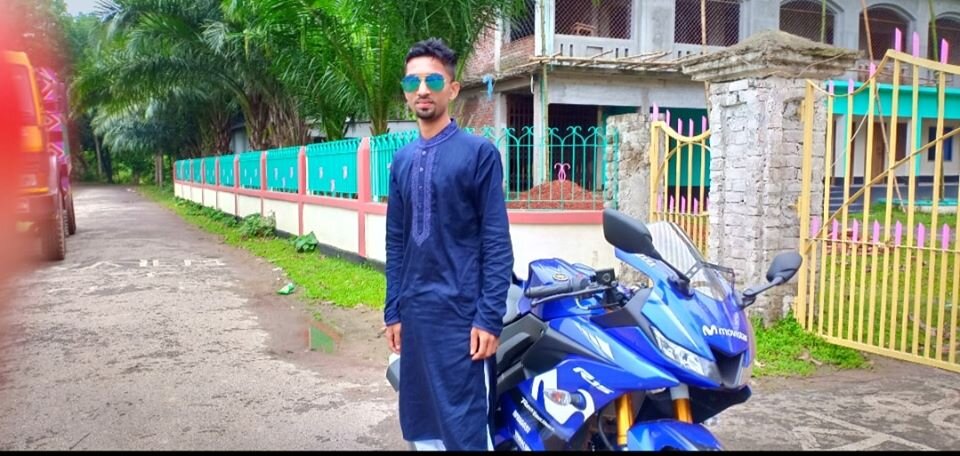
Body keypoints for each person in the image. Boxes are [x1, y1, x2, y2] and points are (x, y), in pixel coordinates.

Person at [383, 38, 514, 451]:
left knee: (465, 429)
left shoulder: (479, 154)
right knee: (423, 427)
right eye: (413, 82)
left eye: (433, 80)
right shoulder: (402, 160)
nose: (422, 89)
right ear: (406, 91)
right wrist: (393, 310)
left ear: (452, 89)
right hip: (416, 319)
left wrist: (489, 318)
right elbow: (397, 241)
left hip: (463, 322)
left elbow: (496, 243)